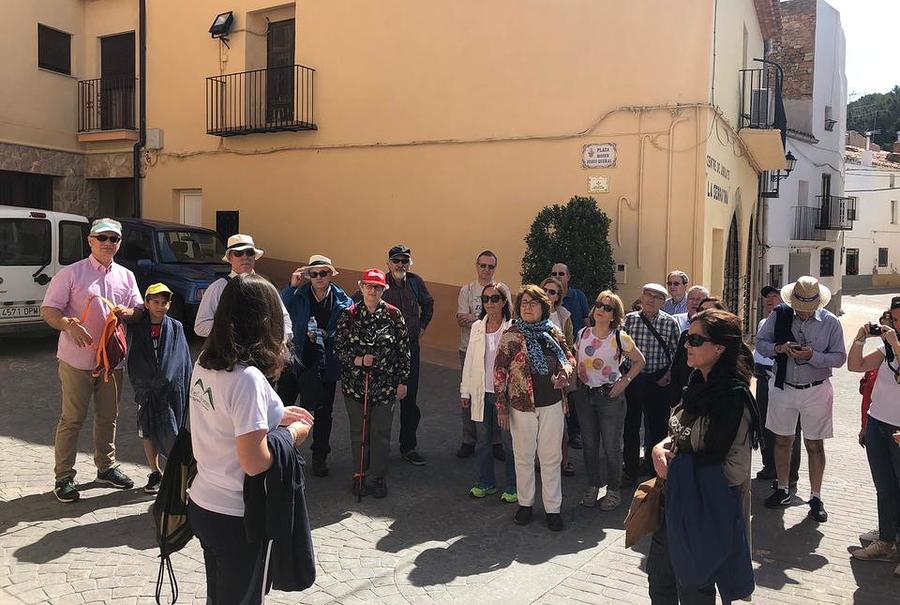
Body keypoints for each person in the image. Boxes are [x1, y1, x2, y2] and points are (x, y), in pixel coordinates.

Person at [187, 273, 314, 605]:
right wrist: (291, 434)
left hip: (204, 502)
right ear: (264, 320)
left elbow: (224, 417)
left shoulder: (205, 362)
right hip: (236, 516)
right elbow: (254, 462)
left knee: (220, 597)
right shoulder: (248, 379)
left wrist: (274, 413)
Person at [646, 309, 761, 604]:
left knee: (695, 590)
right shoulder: (697, 382)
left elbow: (735, 469)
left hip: (703, 511)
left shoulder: (733, 398)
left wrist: (677, 468)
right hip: (674, 505)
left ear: (719, 348)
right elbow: (679, 431)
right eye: (687, 337)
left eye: (695, 340)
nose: (687, 344)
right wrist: (660, 447)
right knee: (660, 582)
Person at [41, 218, 144, 502]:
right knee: (72, 419)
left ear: (119, 243)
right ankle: (64, 477)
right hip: (76, 361)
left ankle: (106, 467)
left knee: (108, 417)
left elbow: (138, 310)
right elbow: (49, 309)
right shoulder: (71, 273)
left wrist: (129, 313)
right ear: (90, 241)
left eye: (114, 238)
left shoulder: (126, 276)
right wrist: (67, 325)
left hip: (112, 362)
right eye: (102, 238)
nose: (108, 243)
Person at [756, 276, 846, 522]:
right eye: (799, 307)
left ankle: (816, 497)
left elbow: (839, 357)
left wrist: (812, 356)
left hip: (816, 389)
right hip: (783, 386)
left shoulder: (831, 322)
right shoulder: (780, 315)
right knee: (782, 440)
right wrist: (779, 348)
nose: (803, 312)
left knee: (814, 444)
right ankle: (783, 488)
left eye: (808, 308)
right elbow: (761, 343)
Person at [495, 285, 575, 531]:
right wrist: (501, 407)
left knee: (551, 457)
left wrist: (565, 372)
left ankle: (553, 508)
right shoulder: (511, 335)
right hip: (522, 406)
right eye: (524, 303)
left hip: (552, 404)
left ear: (543, 307)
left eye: (533, 303)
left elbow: (569, 358)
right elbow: (499, 372)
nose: (528, 307)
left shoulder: (553, 331)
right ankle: (525, 504)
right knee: (524, 456)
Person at [336, 268, 411, 498]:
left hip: (385, 385)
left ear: (383, 290)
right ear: (361, 287)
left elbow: (403, 350)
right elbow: (338, 348)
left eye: (377, 287)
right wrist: (357, 360)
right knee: (359, 432)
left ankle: (378, 476)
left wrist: (402, 381)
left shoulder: (393, 315)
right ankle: (360, 473)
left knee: (381, 432)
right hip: (355, 386)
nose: (372, 291)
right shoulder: (349, 314)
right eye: (368, 286)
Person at [280, 254, 352, 478]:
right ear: (308, 276)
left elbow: (345, 331)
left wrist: (326, 335)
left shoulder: (343, 301)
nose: (319, 277)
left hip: (324, 365)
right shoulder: (297, 293)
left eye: (323, 273)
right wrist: (292, 286)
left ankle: (320, 456)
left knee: (323, 414)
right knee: (283, 408)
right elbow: (280, 309)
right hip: (296, 361)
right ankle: (280, 451)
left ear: (331, 275)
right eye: (314, 273)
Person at [574, 291, 645, 511]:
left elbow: (639, 361)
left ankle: (613, 490)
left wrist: (625, 381)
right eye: (598, 305)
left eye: (607, 308)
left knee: (611, 446)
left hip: (609, 397)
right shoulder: (582, 333)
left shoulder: (620, 337)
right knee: (589, 444)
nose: (601, 310)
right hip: (584, 395)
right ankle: (593, 485)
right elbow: (575, 361)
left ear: (614, 315)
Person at [848, 296, 900, 568]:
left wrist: (896, 345)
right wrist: (859, 339)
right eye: (895, 319)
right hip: (878, 422)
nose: (897, 324)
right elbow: (855, 365)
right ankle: (886, 541)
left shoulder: (894, 345)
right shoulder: (886, 347)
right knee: (885, 486)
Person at [126, 283, 192, 494]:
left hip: (170, 390)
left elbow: (182, 361)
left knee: (172, 430)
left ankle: (178, 472)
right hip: (147, 390)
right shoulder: (139, 329)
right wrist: (144, 385)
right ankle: (155, 472)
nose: (160, 306)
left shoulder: (176, 327)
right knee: (148, 431)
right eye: (155, 302)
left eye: (164, 303)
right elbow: (135, 360)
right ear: (146, 303)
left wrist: (171, 381)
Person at [460, 283, 516, 502]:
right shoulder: (477, 327)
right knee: (483, 442)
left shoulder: (513, 328)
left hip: (505, 395)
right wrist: (465, 391)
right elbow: (470, 360)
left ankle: (513, 486)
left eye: (494, 298)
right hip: (481, 391)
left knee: (509, 443)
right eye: (485, 299)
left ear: (503, 302)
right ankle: (486, 482)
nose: (490, 303)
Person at [381, 244, 434, 466]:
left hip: (411, 349)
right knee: (382, 400)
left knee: (409, 400)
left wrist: (422, 326)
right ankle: (378, 449)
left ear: (409, 264)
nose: (400, 265)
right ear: (388, 263)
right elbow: (357, 301)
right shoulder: (380, 282)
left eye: (404, 261)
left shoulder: (415, 282)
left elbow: (428, 303)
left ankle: (408, 447)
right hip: (385, 351)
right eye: (396, 261)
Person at [622, 283, 680, 481]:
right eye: (648, 295)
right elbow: (618, 349)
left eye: (657, 297)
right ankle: (630, 469)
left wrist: (668, 374)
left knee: (657, 427)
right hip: (633, 378)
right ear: (642, 297)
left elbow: (677, 354)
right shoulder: (629, 320)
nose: (651, 299)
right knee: (631, 425)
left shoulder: (670, 322)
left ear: (663, 302)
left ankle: (654, 470)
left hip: (658, 380)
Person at [456, 250, 510, 459]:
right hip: (469, 348)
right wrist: (482, 318)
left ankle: (496, 441)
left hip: (496, 353)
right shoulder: (467, 290)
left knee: (496, 396)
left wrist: (476, 317)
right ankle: (469, 439)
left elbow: (506, 317)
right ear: (476, 266)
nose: (486, 269)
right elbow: (461, 318)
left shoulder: (502, 288)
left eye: (491, 266)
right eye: (483, 265)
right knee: (469, 395)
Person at [195, 234, 292, 340]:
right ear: (230, 258)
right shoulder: (218, 287)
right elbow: (201, 325)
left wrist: (284, 339)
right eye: (239, 253)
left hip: (262, 349)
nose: (245, 257)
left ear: (254, 257)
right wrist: (235, 331)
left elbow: (283, 318)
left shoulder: (266, 286)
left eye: (249, 252)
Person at [753, 285, 801, 486]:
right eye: (767, 297)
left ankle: (790, 473)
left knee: (789, 429)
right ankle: (770, 466)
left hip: (783, 380)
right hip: (763, 379)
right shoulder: (763, 322)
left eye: (774, 296)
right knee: (765, 424)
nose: (769, 300)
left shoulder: (792, 322)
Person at [550, 262, 588, 450]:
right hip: (550, 362)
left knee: (573, 398)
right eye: (554, 273)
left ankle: (574, 434)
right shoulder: (543, 302)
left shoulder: (578, 297)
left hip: (573, 355)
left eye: (561, 273)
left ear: (568, 277)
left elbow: (587, 322)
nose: (557, 276)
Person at [543, 276, 575, 476]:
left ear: (558, 296)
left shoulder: (564, 316)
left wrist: (563, 370)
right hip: (536, 375)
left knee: (560, 421)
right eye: (545, 290)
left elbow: (569, 346)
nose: (547, 295)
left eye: (552, 292)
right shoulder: (532, 312)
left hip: (558, 375)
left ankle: (565, 460)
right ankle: (541, 460)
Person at [668, 286, 710, 405]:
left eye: (699, 299)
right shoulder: (674, 320)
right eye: (692, 298)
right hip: (680, 379)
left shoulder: (714, 329)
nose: (695, 302)